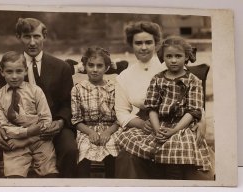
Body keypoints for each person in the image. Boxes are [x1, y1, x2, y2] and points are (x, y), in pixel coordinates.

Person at [0, 18, 78, 178]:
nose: (32, 42)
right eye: (27, 36)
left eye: (36, 36)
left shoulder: (60, 67)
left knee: (70, 150)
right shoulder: (7, 69)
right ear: (19, 37)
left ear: (44, 36)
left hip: (51, 126)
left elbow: (68, 103)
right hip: (11, 128)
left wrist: (61, 121)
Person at [114, 21, 210, 179]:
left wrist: (202, 121)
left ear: (156, 44)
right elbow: (122, 111)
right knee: (128, 157)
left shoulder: (171, 64)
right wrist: (141, 124)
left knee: (184, 157)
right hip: (145, 121)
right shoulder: (125, 76)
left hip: (179, 121)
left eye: (148, 42)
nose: (143, 47)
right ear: (131, 44)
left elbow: (193, 101)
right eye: (138, 43)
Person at [142, 36, 212, 179]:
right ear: (163, 57)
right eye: (169, 56)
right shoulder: (157, 79)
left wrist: (174, 130)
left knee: (174, 148)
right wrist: (157, 130)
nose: (173, 60)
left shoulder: (193, 80)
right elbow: (152, 107)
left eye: (178, 56)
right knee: (150, 149)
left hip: (183, 125)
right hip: (160, 124)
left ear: (186, 57)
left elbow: (193, 110)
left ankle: (175, 182)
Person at [0, 51, 58, 178]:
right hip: (15, 143)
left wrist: (29, 138)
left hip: (40, 139)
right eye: (9, 72)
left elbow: (46, 120)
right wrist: (25, 133)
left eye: (19, 71)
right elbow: (4, 126)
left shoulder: (36, 91)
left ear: (26, 71)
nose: (14, 76)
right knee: (14, 177)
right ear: (2, 72)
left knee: (50, 173)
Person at [71, 47, 121, 178]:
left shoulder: (114, 88)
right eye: (91, 65)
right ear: (85, 66)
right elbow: (76, 120)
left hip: (111, 129)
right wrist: (91, 132)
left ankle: (112, 185)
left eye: (99, 66)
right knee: (83, 148)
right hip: (86, 130)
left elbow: (120, 117)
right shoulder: (78, 89)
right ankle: (85, 185)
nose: (94, 69)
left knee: (113, 147)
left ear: (107, 68)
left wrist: (108, 132)